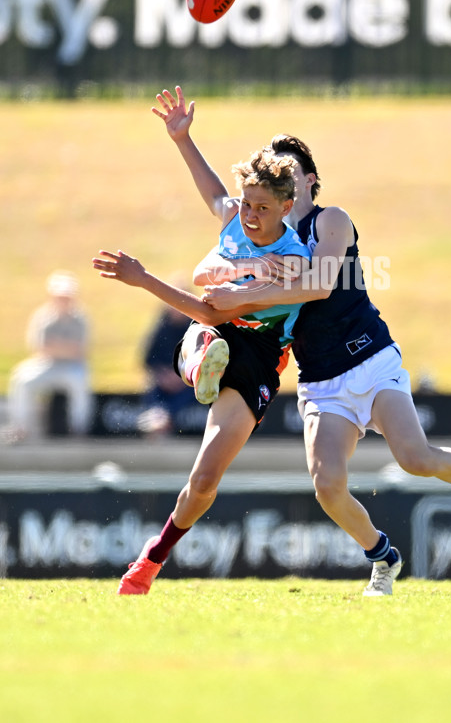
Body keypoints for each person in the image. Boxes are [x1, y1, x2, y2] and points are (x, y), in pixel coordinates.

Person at [201, 132, 451, 596]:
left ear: (309, 182)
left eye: (291, 174)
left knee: (415, 458)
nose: (282, 182)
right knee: (328, 487)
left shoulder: (331, 221)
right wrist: (182, 137)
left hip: (370, 358)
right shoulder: (262, 231)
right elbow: (217, 198)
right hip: (320, 379)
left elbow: (319, 285)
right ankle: (383, 556)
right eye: (276, 176)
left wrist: (242, 292)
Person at [92, 105, 310, 595]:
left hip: (257, 353)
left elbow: (215, 310)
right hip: (213, 331)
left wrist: (143, 279)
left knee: (207, 476)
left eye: (262, 209)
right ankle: (201, 364)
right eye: (247, 205)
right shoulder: (236, 217)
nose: (250, 216)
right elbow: (214, 191)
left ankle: (153, 557)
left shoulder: (287, 262)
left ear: (284, 208)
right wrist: (181, 138)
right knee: (205, 337)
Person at [6, 270, 93, 440]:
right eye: (60, 296)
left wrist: (56, 346)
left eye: (67, 296)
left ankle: (79, 430)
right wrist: (64, 348)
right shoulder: (43, 317)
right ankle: (21, 429)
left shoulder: (81, 318)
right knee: (22, 380)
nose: (63, 300)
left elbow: (80, 351)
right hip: (47, 364)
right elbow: (39, 348)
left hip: (72, 366)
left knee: (80, 380)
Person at [137, 296, 197, 437]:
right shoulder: (160, 328)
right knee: (152, 389)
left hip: (188, 381)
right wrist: (162, 375)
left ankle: (163, 419)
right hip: (163, 380)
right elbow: (148, 359)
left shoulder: (196, 328)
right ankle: (157, 417)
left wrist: (181, 377)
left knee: (191, 392)